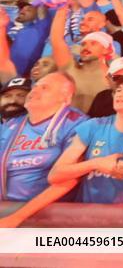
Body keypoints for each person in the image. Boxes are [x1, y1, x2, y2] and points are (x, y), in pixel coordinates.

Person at [49, 71, 123, 203]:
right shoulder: (93, 125)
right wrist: (96, 163)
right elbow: (56, 174)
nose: (121, 94)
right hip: (88, 215)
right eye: (118, 90)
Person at [0, 73, 87, 228]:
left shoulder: (77, 124)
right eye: (35, 86)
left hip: (50, 219)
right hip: (6, 212)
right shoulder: (11, 124)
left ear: (65, 98)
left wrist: (17, 217)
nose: (34, 90)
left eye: (45, 88)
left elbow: (68, 179)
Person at [50, 6, 115, 113]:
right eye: (83, 44)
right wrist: (62, 8)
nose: (85, 47)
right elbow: (56, 39)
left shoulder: (112, 80)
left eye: (93, 43)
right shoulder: (71, 68)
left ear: (106, 50)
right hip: (60, 125)